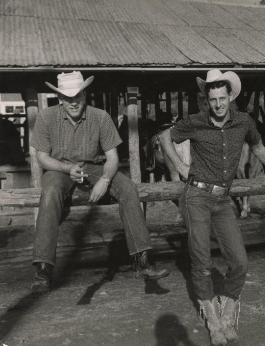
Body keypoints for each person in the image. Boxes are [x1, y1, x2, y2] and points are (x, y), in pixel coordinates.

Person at [159, 69, 265, 345]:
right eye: (212, 99)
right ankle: (213, 318)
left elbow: (257, 149)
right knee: (202, 261)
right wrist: (181, 166)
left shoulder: (243, 122)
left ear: (230, 96)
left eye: (222, 98)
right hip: (196, 197)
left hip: (222, 200)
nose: (218, 105)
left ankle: (230, 306)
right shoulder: (195, 122)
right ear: (205, 99)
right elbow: (164, 138)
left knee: (240, 261)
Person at [31, 71, 169, 293]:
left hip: (94, 167)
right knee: (49, 193)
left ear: (85, 94)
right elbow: (42, 157)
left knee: (127, 187)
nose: (73, 102)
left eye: (77, 96)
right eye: (67, 98)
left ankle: (142, 260)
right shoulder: (46, 117)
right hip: (60, 168)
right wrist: (67, 168)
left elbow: (112, 157)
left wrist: (104, 179)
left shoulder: (100, 116)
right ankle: (43, 268)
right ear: (59, 99)